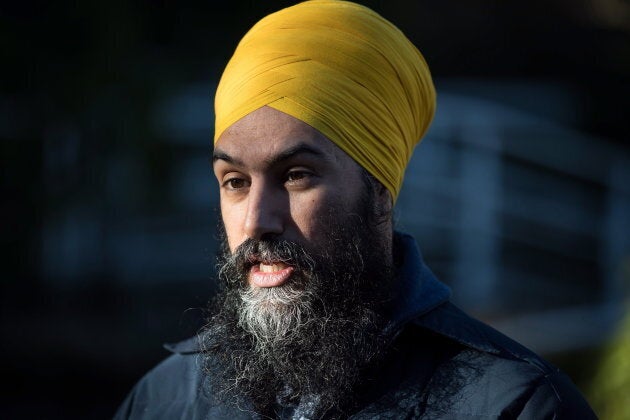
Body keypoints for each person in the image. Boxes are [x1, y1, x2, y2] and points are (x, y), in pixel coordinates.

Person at [114, 1, 596, 418]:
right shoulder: (168, 398)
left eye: (296, 175)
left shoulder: (514, 405)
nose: (257, 220)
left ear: (380, 190)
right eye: (235, 182)